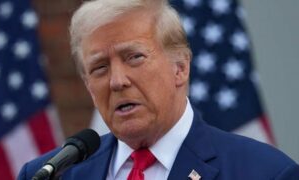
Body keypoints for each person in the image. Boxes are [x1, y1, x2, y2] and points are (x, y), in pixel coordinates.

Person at [18, 0, 299, 179]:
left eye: (134, 57)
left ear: (180, 68)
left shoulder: (265, 172)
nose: (117, 80)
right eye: (100, 68)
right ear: (89, 87)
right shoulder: (50, 175)